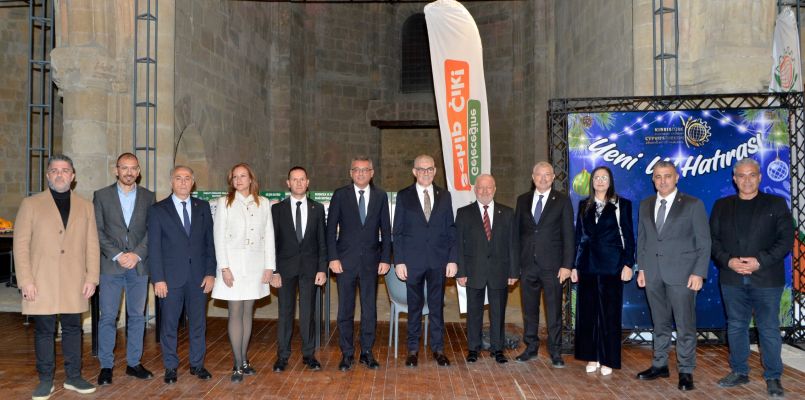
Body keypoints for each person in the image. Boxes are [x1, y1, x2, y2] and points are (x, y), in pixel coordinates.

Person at [14, 154, 100, 399]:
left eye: (64, 170)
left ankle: (73, 377)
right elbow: (21, 245)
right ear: (48, 175)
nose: (60, 174)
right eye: (54, 170)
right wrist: (25, 280)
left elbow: (92, 244)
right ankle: (45, 380)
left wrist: (92, 277)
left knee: (73, 328)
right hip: (41, 280)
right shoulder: (31, 204)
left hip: (75, 280)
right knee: (44, 330)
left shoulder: (86, 206)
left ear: (73, 176)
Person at [710, 158, 792, 397]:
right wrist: (729, 261)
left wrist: (759, 261)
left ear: (759, 177)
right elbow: (712, 240)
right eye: (742, 175)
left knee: (768, 328)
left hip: (767, 277)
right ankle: (739, 371)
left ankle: (773, 376)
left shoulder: (776, 203)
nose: (747, 180)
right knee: (736, 326)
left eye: (752, 175)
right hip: (732, 277)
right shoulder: (721, 205)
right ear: (734, 179)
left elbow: (786, 240)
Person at [635, 160, 710, 391]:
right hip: (652, 274)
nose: (663, 181)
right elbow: (642, 240)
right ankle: (660, 365)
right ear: (653, 179)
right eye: (658, 176)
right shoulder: (645, 204)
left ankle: (686, 370)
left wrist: (699, 273)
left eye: (667, 176)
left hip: (683, 275)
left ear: (677, 177)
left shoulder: (693, 204)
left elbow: (704, 242)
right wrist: (642, 269)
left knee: (685, 325)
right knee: (660, 323)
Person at [148, 165, 216, 384]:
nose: (183, 182)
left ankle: (197, 364)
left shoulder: (202, 207)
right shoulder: (158, 210)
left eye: (187, 178)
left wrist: (210, 273)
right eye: (178, 178)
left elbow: (210, 243)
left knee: (198, 324)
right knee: (169, 325)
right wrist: (158, 278)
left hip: (198, 277)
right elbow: (154, 248)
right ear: (171, 182)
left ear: (193, 182)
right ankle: (170, 366)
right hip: (170, 279)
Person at [93, 153, 156, 386]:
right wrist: (119, 255)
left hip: (138, 266)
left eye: (133, 168)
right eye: (124, 168)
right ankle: (106, 366)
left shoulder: (149, 197)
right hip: (111, 265)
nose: (129, 172)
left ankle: (133, 363)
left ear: (138, 171)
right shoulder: (101, 196)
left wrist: (137, 254)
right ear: (116, 170)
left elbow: (152, 230)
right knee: (108, 317)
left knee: (137, 316)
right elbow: (97, 230)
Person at [211, 163, 276, 382]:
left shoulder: (263, 203)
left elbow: (269, 236)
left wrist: (269, 266)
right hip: (233, 265)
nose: (238, 180)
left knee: (249, 312)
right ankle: (237, 363)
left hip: (256, 265)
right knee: (235, 311)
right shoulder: (224, 203)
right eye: (235, 177)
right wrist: (224, 268)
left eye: (242, 176)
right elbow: (218, 237)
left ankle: (245, 358)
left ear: (251, 179)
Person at [327, 157, 391, 371]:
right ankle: (347, 354)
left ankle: (366, 352)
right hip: (344, 263)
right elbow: (330, 229)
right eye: (357, 170)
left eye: (365, 170)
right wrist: (333, 258)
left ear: (372, 173)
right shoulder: (340, 195)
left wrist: (385, 258)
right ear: (351, 173)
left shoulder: (381, 196)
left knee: (369, 310)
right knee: (345, 310)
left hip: (371, 263)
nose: (361, 173)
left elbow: (386, 230)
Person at [393, 154, 457, 368]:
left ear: (435, 171)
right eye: (421, 169)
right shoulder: (404, 196)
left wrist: (452, 259)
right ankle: (413, 350)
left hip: (438, 261)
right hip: (413, 262)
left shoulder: (445, 196)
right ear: (414, 172)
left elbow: (450, 229)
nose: (426, 173)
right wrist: (399, 261)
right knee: (415, 307)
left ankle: (438, 349)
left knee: (437, 307)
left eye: (429, 169)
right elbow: (397, 231)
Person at [570, 166, 635, 376]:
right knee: (588, 314)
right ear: (592, 182)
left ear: (610, 181)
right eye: (596, 177)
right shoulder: (584, 205)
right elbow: (579, 237)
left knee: (609, 315)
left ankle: (608, 359)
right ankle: (592, 356)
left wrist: (628, 264)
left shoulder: (621, 204)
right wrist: (574, 266)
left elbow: (629, 236)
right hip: (587, 266)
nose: (600, 181)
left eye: (604, 177)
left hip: (612, 266)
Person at [513, 161, 574, 368]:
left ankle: (555, 351)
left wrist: (567, 265)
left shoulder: (562, 201)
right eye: (539, 174)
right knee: (529, 310)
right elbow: (516, 235)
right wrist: (516, 265)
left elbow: (569, 235)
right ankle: (531, 347)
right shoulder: (522, 200)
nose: (543, 178)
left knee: (554, 311)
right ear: (533, 177)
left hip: (553, 267)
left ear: (553, 177)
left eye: (547, 174)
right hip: (527, 265)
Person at [455, 174, 518, 365]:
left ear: (495, 189)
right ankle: (473, 349)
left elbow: (513, 244)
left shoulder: (507, 213)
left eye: (488, 187)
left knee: (498, 312)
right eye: (481, 188)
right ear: (475, 190)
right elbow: (459, 245)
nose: (484, 191)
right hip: (473, 271)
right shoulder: (463, 213)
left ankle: (497, 349)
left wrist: (513, 272)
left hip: (500, 271)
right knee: (474, 312)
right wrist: (461, 272)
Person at [271, 166, 328, 372]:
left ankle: (309, 355)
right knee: (285, 313)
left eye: (302, 179)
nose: (298, 183)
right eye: (294, 179)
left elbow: (322, 242)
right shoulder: (277, 209)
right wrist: (274, 271)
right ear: (288, 183)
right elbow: (272, 243)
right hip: (284, 269)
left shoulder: (317, 208)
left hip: (310, 269)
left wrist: (322, 269)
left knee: (308, 313)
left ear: (308, 182)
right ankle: (282, 356)